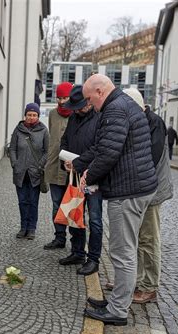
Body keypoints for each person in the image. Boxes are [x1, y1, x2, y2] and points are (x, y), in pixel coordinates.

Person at [69, 74, 157, 326]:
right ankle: (118, 300)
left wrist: (88, 175)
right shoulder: (120, 105)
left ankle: (118, 310)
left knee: (122, 252)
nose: (89, 103)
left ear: (99, 91)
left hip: (128, 191)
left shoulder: (115, 110)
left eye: (89, 98)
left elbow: (108, 153)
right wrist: (79, 163)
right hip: (135, 187)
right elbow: (102, 147)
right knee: (123, 250)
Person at [123, 88, 173, 304]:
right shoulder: (139, 121)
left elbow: (147, 158)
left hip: (151, 192)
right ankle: (133, 279)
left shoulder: (154, 123)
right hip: (138, 190)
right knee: (135, 238)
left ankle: (149, 286)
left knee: (148, 239)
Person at [60, 85, 103, 276]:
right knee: (74, 213)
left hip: (93, 176)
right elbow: (65, 141)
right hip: (75, 175)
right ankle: (77, 252)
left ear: (88, 101)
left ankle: (93, 259)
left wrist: (77, 162)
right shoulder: (73, 119)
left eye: (78, 106)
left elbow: (97, 148)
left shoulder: (100, 118)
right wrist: (66, 162)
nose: (76, 109)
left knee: (94, 219)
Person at [9, 103, 49, 239]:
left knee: (33, 201)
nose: (31, 117)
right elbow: (12, 148)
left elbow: (47, 151)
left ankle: (32, 228)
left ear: (38, 116)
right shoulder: (18, 129)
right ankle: (23, 227)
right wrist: (14, 163)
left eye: (34, 115)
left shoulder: (43, 130)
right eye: (29, 115)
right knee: (22, 201)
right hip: (20, 172)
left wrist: (40, 166)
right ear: (25, 115)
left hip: (35, 173)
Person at [43, 82, 73, 249]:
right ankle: (59, 237)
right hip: (54, 166)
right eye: (60, 98)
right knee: (56, 204)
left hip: (72, 167)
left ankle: (76, 241)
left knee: (74, 204)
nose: (62, 101)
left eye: (65, 97)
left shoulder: (76, 114)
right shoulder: (53, 114)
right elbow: (52, 141)